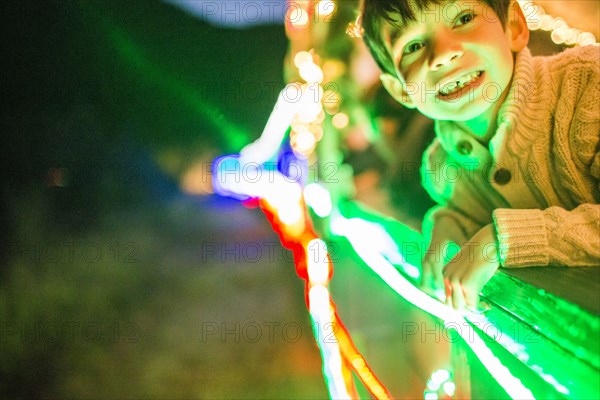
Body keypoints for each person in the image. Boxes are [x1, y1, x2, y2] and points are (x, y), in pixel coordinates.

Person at [357, 0, 600, 310]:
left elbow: (497, 234)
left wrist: (500, 241)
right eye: (414, 45)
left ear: (513, 26)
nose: (444, 54)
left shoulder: (590, 84)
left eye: (464, 18)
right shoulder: (441, 167)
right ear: (400, 91)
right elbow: (471, 215)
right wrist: (447, 222)